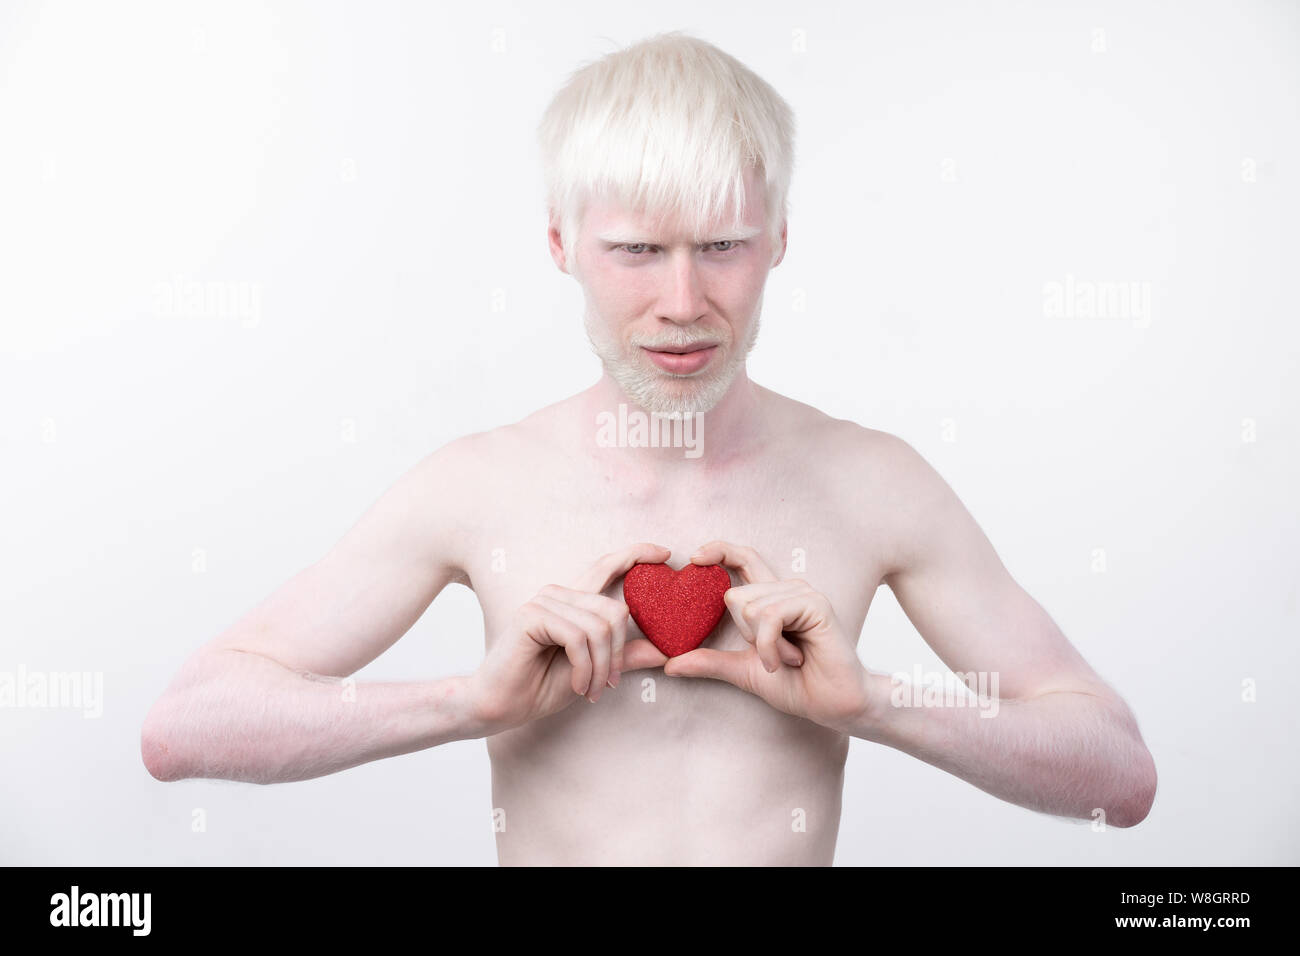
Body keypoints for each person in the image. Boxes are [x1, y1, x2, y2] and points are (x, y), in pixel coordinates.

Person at [140, 30, 1157, 865]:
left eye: (721, 246)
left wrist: (874, 701)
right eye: (635, 251)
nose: (681, 306)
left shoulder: (873, 481)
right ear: (559, 244)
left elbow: (1117, 771)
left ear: (780, 238)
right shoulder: (478, 483)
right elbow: (186, 725)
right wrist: (466, 699)